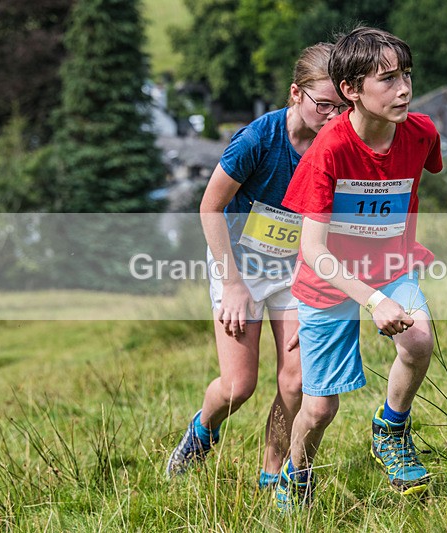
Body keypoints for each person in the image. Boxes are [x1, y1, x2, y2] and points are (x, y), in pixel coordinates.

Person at [275, 26, 443, 510]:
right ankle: (297, 474)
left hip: (391, 264)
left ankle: (390, 429)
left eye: (406, 74)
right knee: (320, 407)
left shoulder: (422, 132)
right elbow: (313, 249)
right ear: (350, 90)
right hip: (328, 283)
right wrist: (372, 299)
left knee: (418, 340)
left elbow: (416, 176)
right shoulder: (329, 150)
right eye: (387, 79)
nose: (404, 88)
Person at [166, 43, 348, 488]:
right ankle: (202, 430)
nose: (331, 116)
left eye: (341, 107)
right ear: (295, 94)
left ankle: (272, 473)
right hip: (239, 267)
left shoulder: (339, 145)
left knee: (297, 381)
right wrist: (231, 284)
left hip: (295, 271)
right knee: (238, 387)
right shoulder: (257, 140)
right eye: (323, 105)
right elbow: (210, 207)